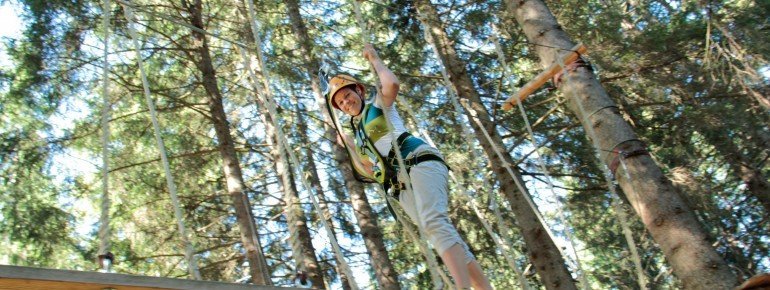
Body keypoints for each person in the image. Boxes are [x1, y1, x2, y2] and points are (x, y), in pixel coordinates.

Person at [326, 43, 493, 290]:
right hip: (400, 183)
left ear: (359, 91)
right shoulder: (359, 136)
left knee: (433, 222)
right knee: (434, 230)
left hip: (418, 161)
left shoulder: (377, 105)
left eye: (347, 95)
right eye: (341, 102)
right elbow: (370, 170)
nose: (346, 102)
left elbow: (392, 85)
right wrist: (349, 145)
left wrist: (375, 60)